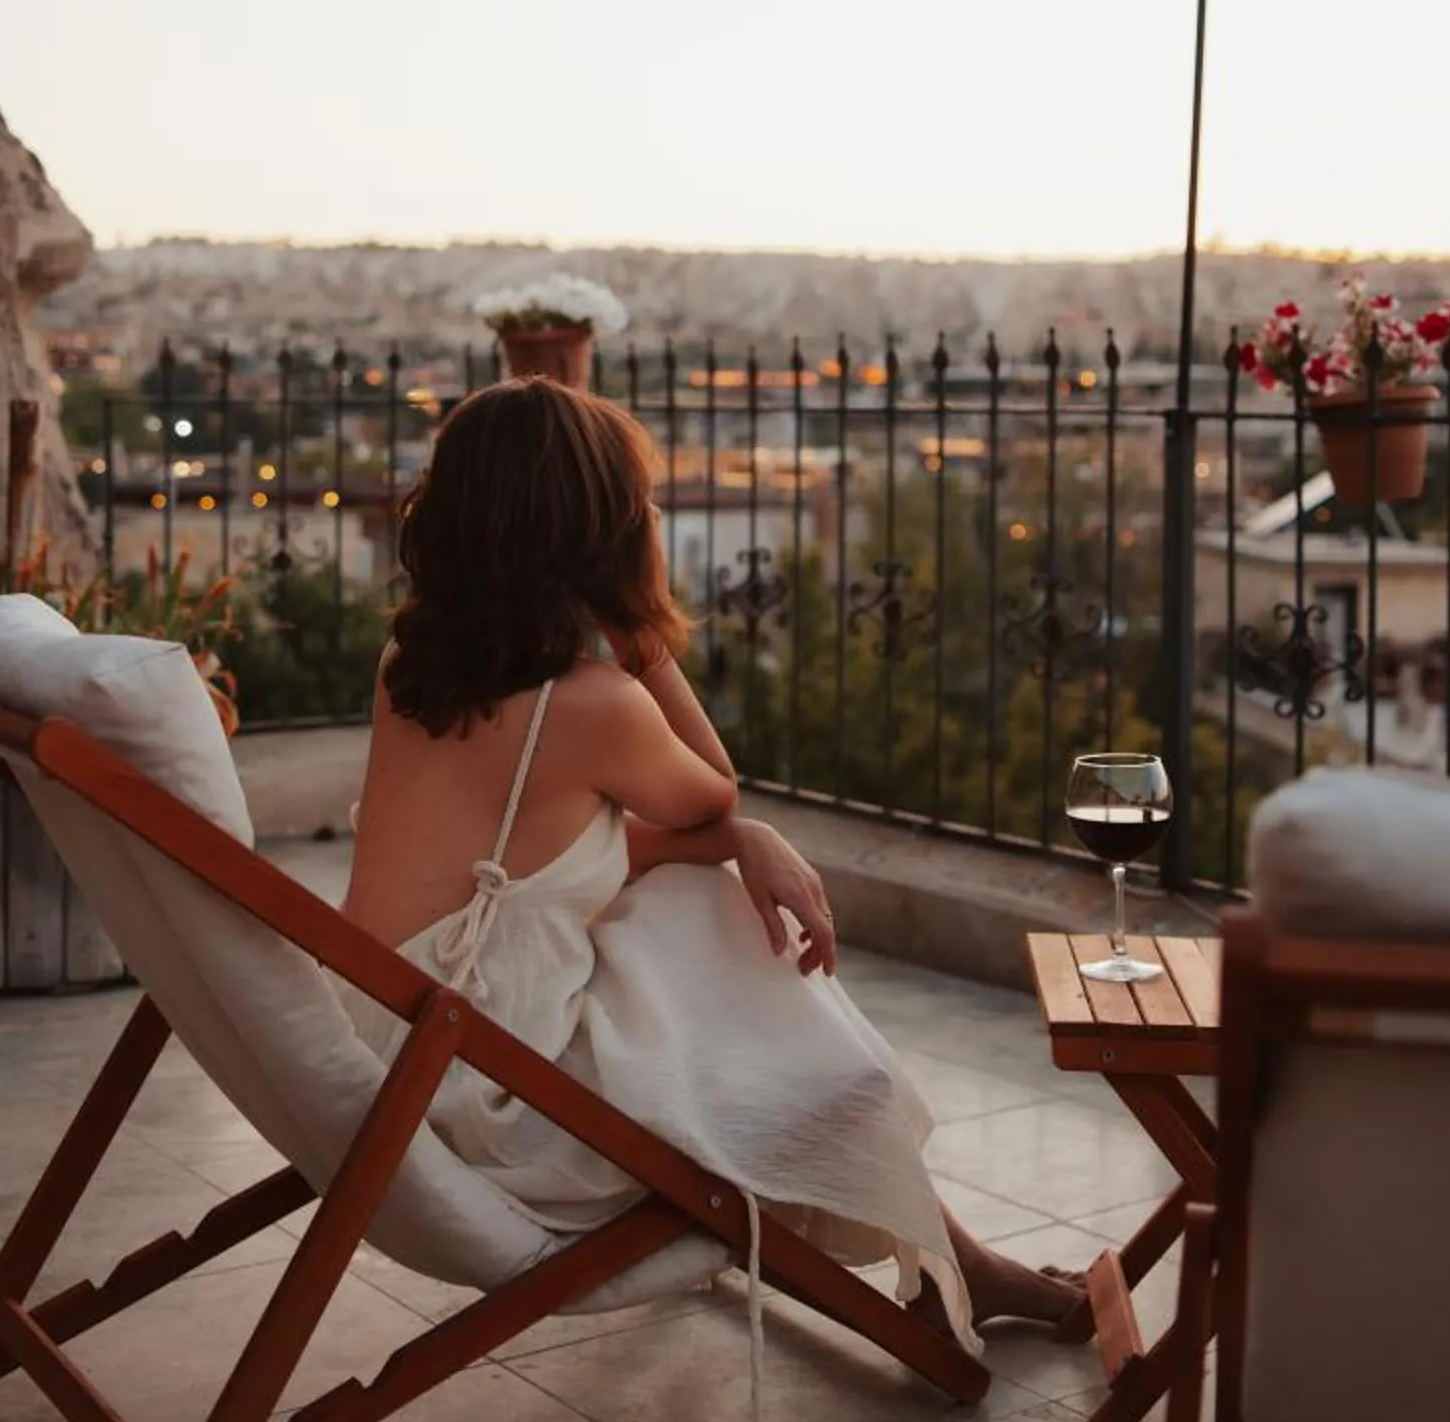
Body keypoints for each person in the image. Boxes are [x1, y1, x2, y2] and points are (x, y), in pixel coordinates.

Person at [343, 376, 1088, 1367]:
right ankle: (905, 1189)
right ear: (598, 533)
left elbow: (546, 869)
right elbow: (712, 792)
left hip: (402, 1056)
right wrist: (641, 636)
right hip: (498, 1117)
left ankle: (948, 1244)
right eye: (638, 505)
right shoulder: (595, 705)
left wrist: (735, 842)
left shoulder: (411, 670)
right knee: (719, 944)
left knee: (683, 905)